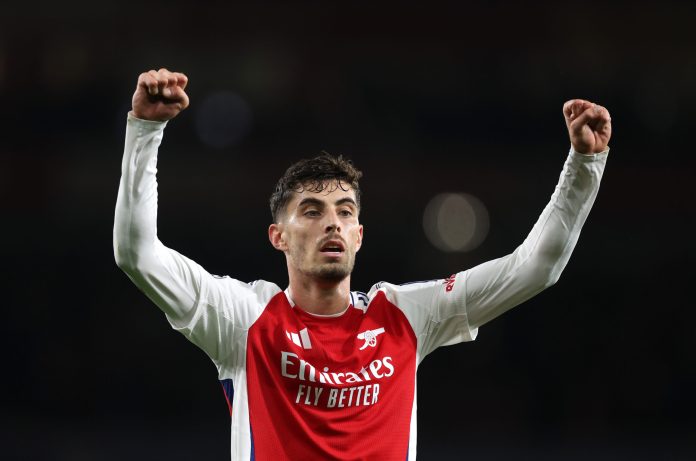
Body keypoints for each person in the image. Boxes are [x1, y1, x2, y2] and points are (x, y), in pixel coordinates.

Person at [114, 68, 611, 460]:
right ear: (278, 237)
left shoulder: (406, 316)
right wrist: (146, 131)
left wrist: (583, 166)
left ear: (359, 236)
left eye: (344, 213)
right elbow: (137, 253)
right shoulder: (244, 319)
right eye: (312, 211)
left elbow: (535, 268)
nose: (332, 223)